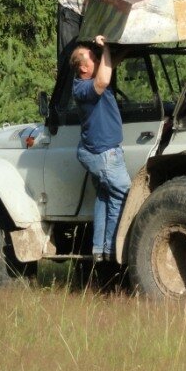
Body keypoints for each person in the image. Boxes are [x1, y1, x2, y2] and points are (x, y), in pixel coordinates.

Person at [71, 35, 131, 263]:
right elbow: (104, 80)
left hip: (97, 151)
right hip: (105, 153)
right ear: (84, 68)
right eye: (94, 58)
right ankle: (111, 250)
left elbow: (108, 66)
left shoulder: (89, 80)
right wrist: (105, 47)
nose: (98, 59)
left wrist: (125, 47)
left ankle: (98, 249)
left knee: (105, 196)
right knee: (122, 195)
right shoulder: (84, 88)